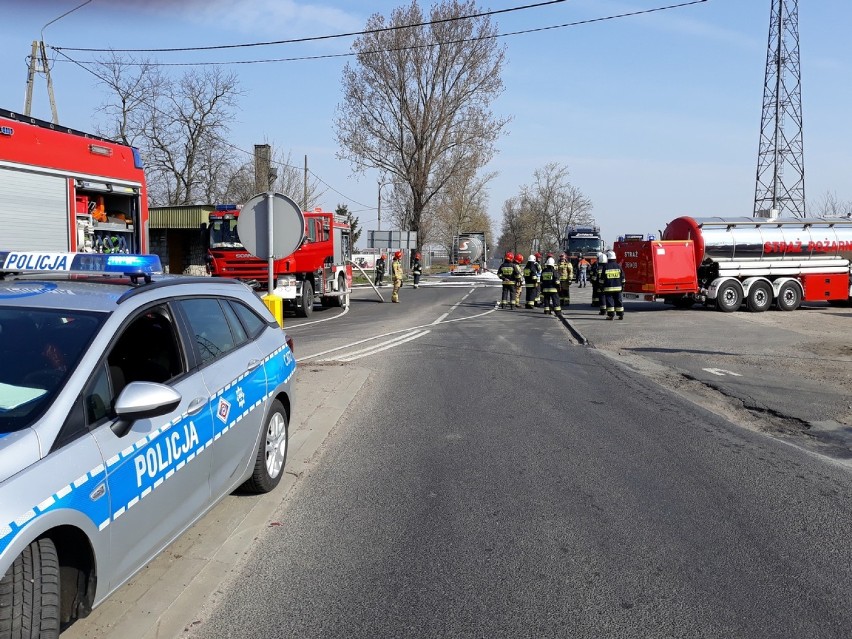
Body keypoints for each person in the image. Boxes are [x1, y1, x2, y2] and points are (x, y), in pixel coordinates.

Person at [601, 249, 626, 320]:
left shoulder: (605, 267)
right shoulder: (618, 266)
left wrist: (601, 286)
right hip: (618, 288)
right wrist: (623, 285)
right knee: (619, 301)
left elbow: (602, 279)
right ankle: (621, 314)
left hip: (608, 288)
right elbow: (623, 277)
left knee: (610, 302)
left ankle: (611, 315)